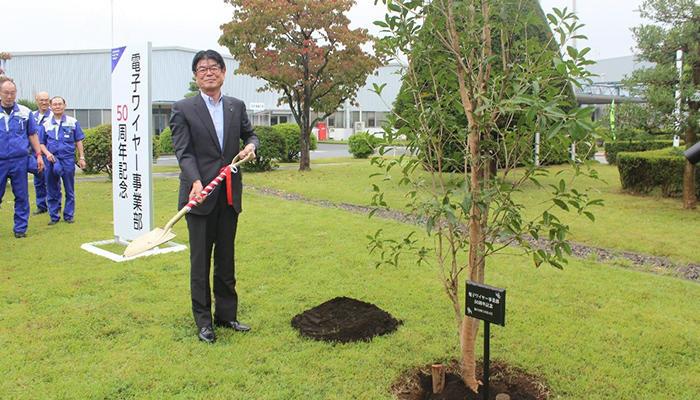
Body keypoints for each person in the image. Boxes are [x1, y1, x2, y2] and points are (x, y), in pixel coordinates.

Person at [170, 49, 259, 344]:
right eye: (202, 69)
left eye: (213, 67)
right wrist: (195, 180)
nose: (208, 72)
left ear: (223, 72)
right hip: (199, 196)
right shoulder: (183, 108)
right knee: (200, 262)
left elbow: (251, 134)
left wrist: (250, 147)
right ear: (196, 76)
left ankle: (226, 315)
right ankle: (203, 322)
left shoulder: (236, 106)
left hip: (229, 195)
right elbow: (183, 152)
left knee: (226, 258)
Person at [0, 79, 45, 238]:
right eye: (6, 92)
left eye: (12, 93)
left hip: (20, 160)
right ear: (0, 93)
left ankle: (20, 229)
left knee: (21, 195)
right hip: (1, 161)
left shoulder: (25, 112)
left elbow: (32, 134)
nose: (9, 96)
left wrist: (38, 155)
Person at [40, 96, 86, 225]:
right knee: (51, 188)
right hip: (51, 159)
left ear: (65, 105)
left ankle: (68, 215)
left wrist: (81, 157)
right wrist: (47, 154)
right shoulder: (46, 124)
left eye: (60, 104)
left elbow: (78, 140)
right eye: (54, 104)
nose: (57, 106)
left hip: (67, 160)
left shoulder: (72, 122)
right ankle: (54, 216)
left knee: (69, 189)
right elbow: (41, 143)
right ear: (51, 106)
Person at [29, 91, 51, 215]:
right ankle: (41, 205)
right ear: (36, 101)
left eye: (46, 100)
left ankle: (54, 205)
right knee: (38, 181)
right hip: (35, 154)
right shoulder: (31, 115)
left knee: (52, 181)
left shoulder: (53, 116)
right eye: (41, 100)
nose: (44, 102)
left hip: (48, 153)